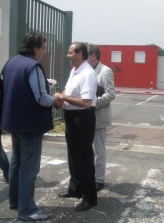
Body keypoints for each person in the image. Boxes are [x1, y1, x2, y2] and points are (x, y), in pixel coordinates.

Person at [1, 32, 61, 221]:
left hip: (13, 121)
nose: (45, 51)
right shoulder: (33, 66)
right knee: (29, 167)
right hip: (30, 124)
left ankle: (15, 201)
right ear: (35, 48)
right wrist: (56, 100)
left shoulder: (11, 62)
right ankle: (27, 210)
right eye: (43, 47)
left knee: (16, 162)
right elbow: (42, 98)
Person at [55, 42, 98, 212]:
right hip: (72, 117)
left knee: (84, 158)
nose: (68, 55)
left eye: (70, 52)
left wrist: (63, 98)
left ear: (80, 54)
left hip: (83, 118)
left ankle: (90, 197)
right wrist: (60, 98)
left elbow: (86, 102)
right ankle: (75, 188)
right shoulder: (75, 70)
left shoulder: (88, 73)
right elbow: (68, 90)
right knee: (73, 156)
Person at [87, 44, 116, 191]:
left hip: (98, 115)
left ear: (93, 56)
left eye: (86, 55)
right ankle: (89, 176)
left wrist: (94, 103)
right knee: (88, 149)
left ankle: (99, 179)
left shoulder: (105, 71)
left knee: (99, 149)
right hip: (86, 115)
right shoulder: (86, 70)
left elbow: (111, 94)